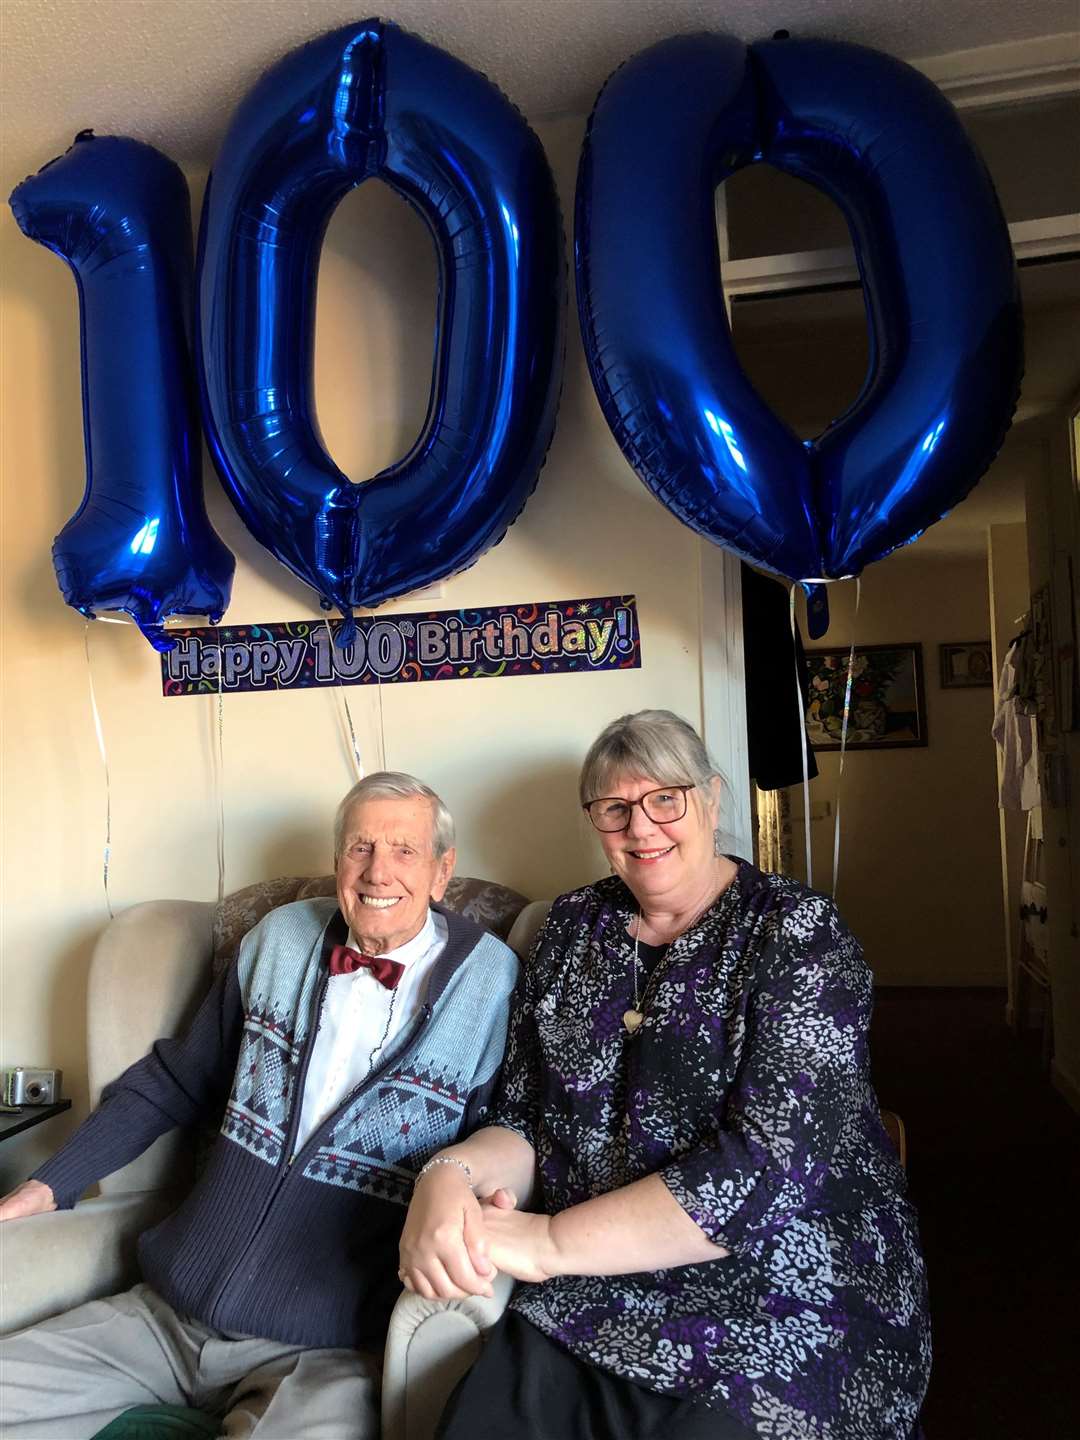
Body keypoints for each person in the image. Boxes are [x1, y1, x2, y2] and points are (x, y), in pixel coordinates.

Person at [400, 711, 931, 1440]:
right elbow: (524, 1114)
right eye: (615, 808)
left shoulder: (797, 932)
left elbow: (764, 1172)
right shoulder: (572, 927)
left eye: (665, 800)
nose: (641, 827)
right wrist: (447, 1176)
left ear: (711, 800)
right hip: (598, 1290)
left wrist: (547, 1241)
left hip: (785, 1283)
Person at [0, 772, 518, 1440]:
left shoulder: (492, 983)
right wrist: (48, 1184)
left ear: (443, 872)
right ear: (337, 864)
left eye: (404, 851)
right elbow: (175, 1078)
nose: (377, 871)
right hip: (166, 1314)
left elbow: (505, 1136)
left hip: (327, 1351)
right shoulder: (278, 940)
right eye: (360, 849)